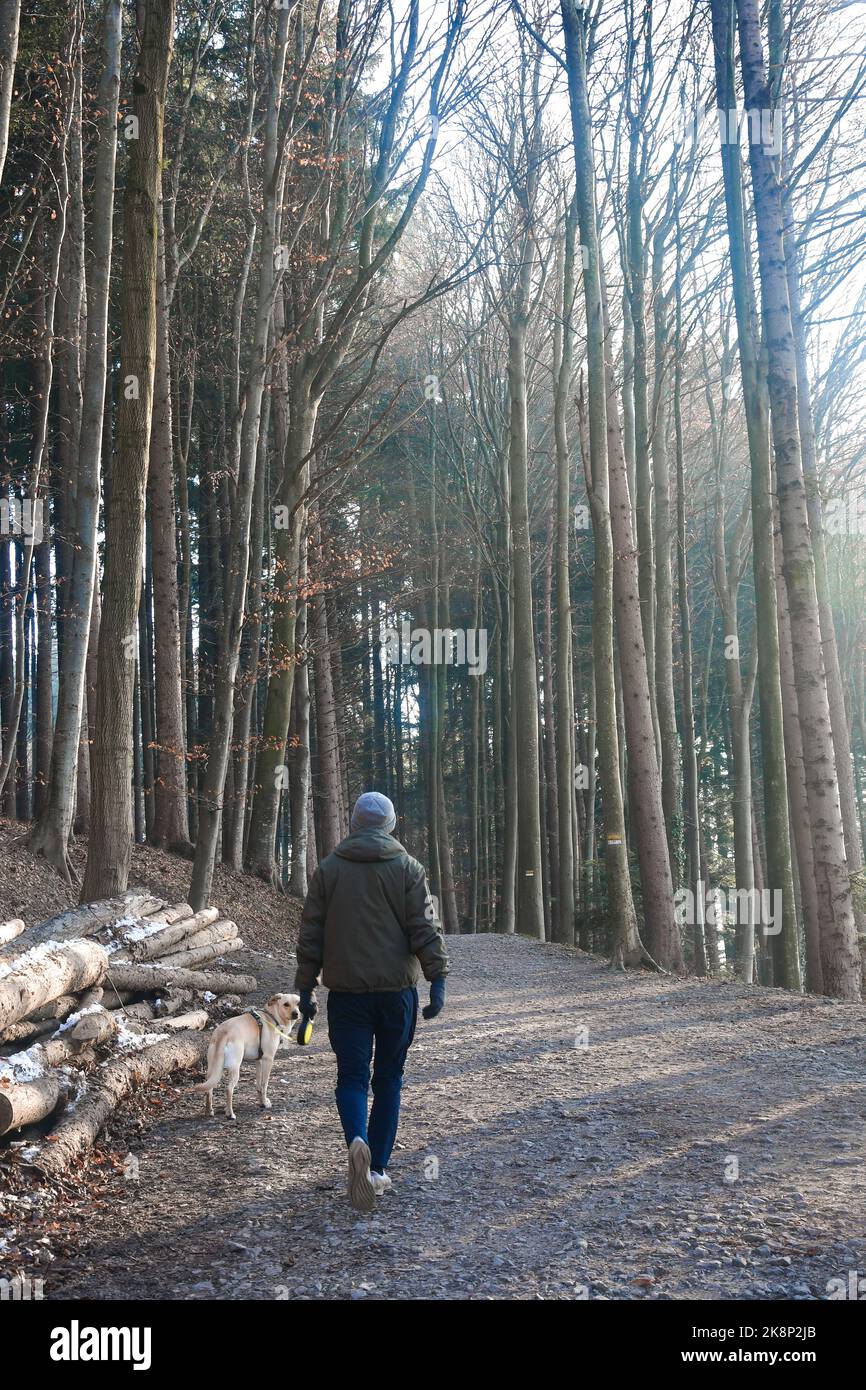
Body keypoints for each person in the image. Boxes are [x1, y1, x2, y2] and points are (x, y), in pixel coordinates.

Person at [295, 791, 448, 1213]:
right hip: (396, 994)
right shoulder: (408, 869)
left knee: (351, 1078)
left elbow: (311, 935)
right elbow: (425, 928)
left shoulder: (329, 870)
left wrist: (305, 990)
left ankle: (355, 1142)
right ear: (390, 824)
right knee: (389, 1079)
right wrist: (437, 981)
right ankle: (377, 1168)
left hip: (346, 996)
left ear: (354, 823)